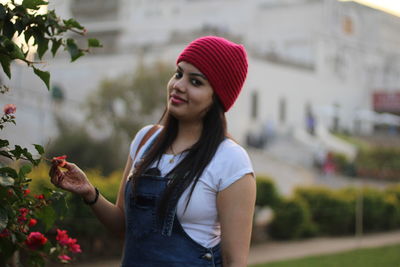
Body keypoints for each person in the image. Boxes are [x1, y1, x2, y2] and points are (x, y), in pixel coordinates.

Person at [49, 36, 256, 267]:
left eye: (196, 82)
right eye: (178, 74)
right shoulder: (145, 140)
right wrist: (90, 193)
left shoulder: (230, 160)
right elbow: (124, 228)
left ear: (218, 97)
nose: (178, 85)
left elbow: (234, 261)